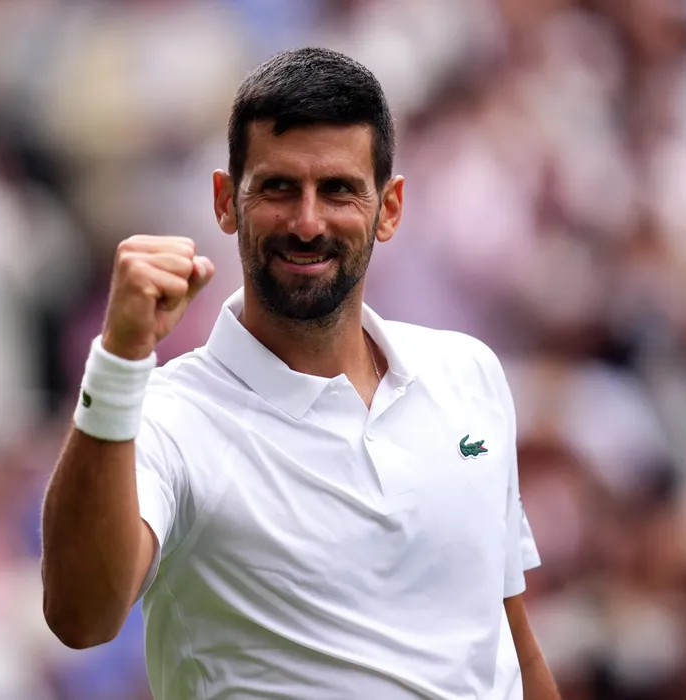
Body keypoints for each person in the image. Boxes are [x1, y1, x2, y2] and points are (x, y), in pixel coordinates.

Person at [41, 47, 561, 700]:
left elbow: (510, 643)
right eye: (278, 188)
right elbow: (81, 617)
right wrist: (119, 360)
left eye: (338, 189)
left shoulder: (469, 373)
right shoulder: (166, 418)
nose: (307, 223)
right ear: (225, 202)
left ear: (389, 207)